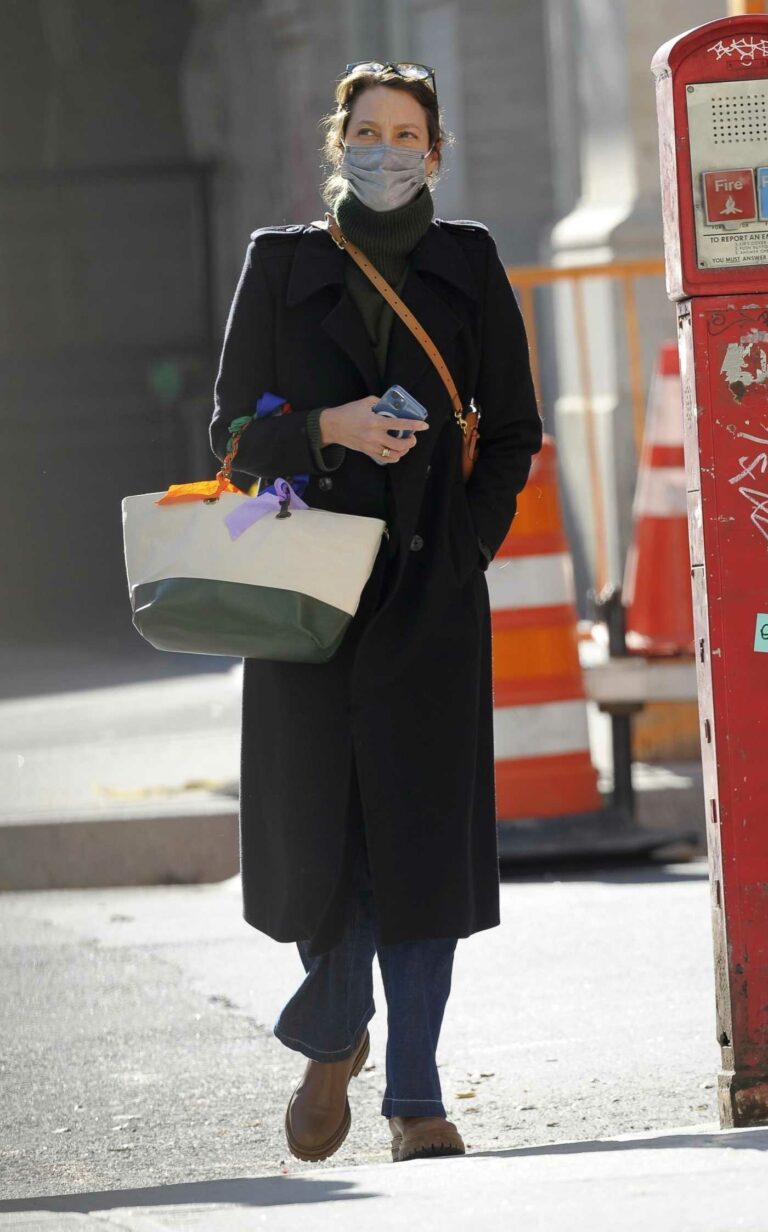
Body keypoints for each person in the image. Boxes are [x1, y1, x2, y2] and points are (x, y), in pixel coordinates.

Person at [209, 60, 542, 1165]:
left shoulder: (469, 260)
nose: (387, 148)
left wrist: (468, 547)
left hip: (430, 599)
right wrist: (327, 428)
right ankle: (335, 1028)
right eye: (368, 130)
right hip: (307, 600)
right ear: (335, 142)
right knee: (328, 838)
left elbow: (512, 433)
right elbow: (230, 438)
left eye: (407, 133)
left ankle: (414, 1094)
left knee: (423, 848)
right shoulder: (281, 261)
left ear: (435, 152)